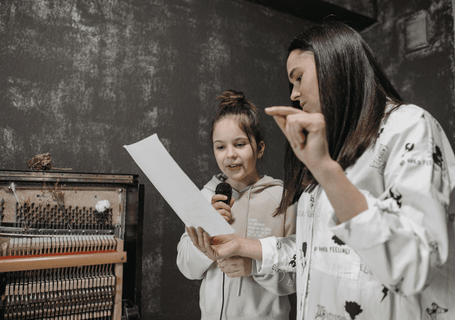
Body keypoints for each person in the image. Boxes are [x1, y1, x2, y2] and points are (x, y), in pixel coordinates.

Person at [187, 21, 455, 320]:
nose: (294, 94)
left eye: (298, 78)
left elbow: (415, 265)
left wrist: (326, 169)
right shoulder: (328, 153)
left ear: (335, 66)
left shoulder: (408, 127)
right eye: (219, 146)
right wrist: (243, 246)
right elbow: (310, 254)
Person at [177, 89, 297, 320]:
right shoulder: (205, 196)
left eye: (240, 144)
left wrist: (254, 267)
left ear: (259, 148)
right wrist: (207, 228)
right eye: (220, 147)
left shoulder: (282, 199)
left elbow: (295, 276)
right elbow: (186, 266)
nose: (229, 155)